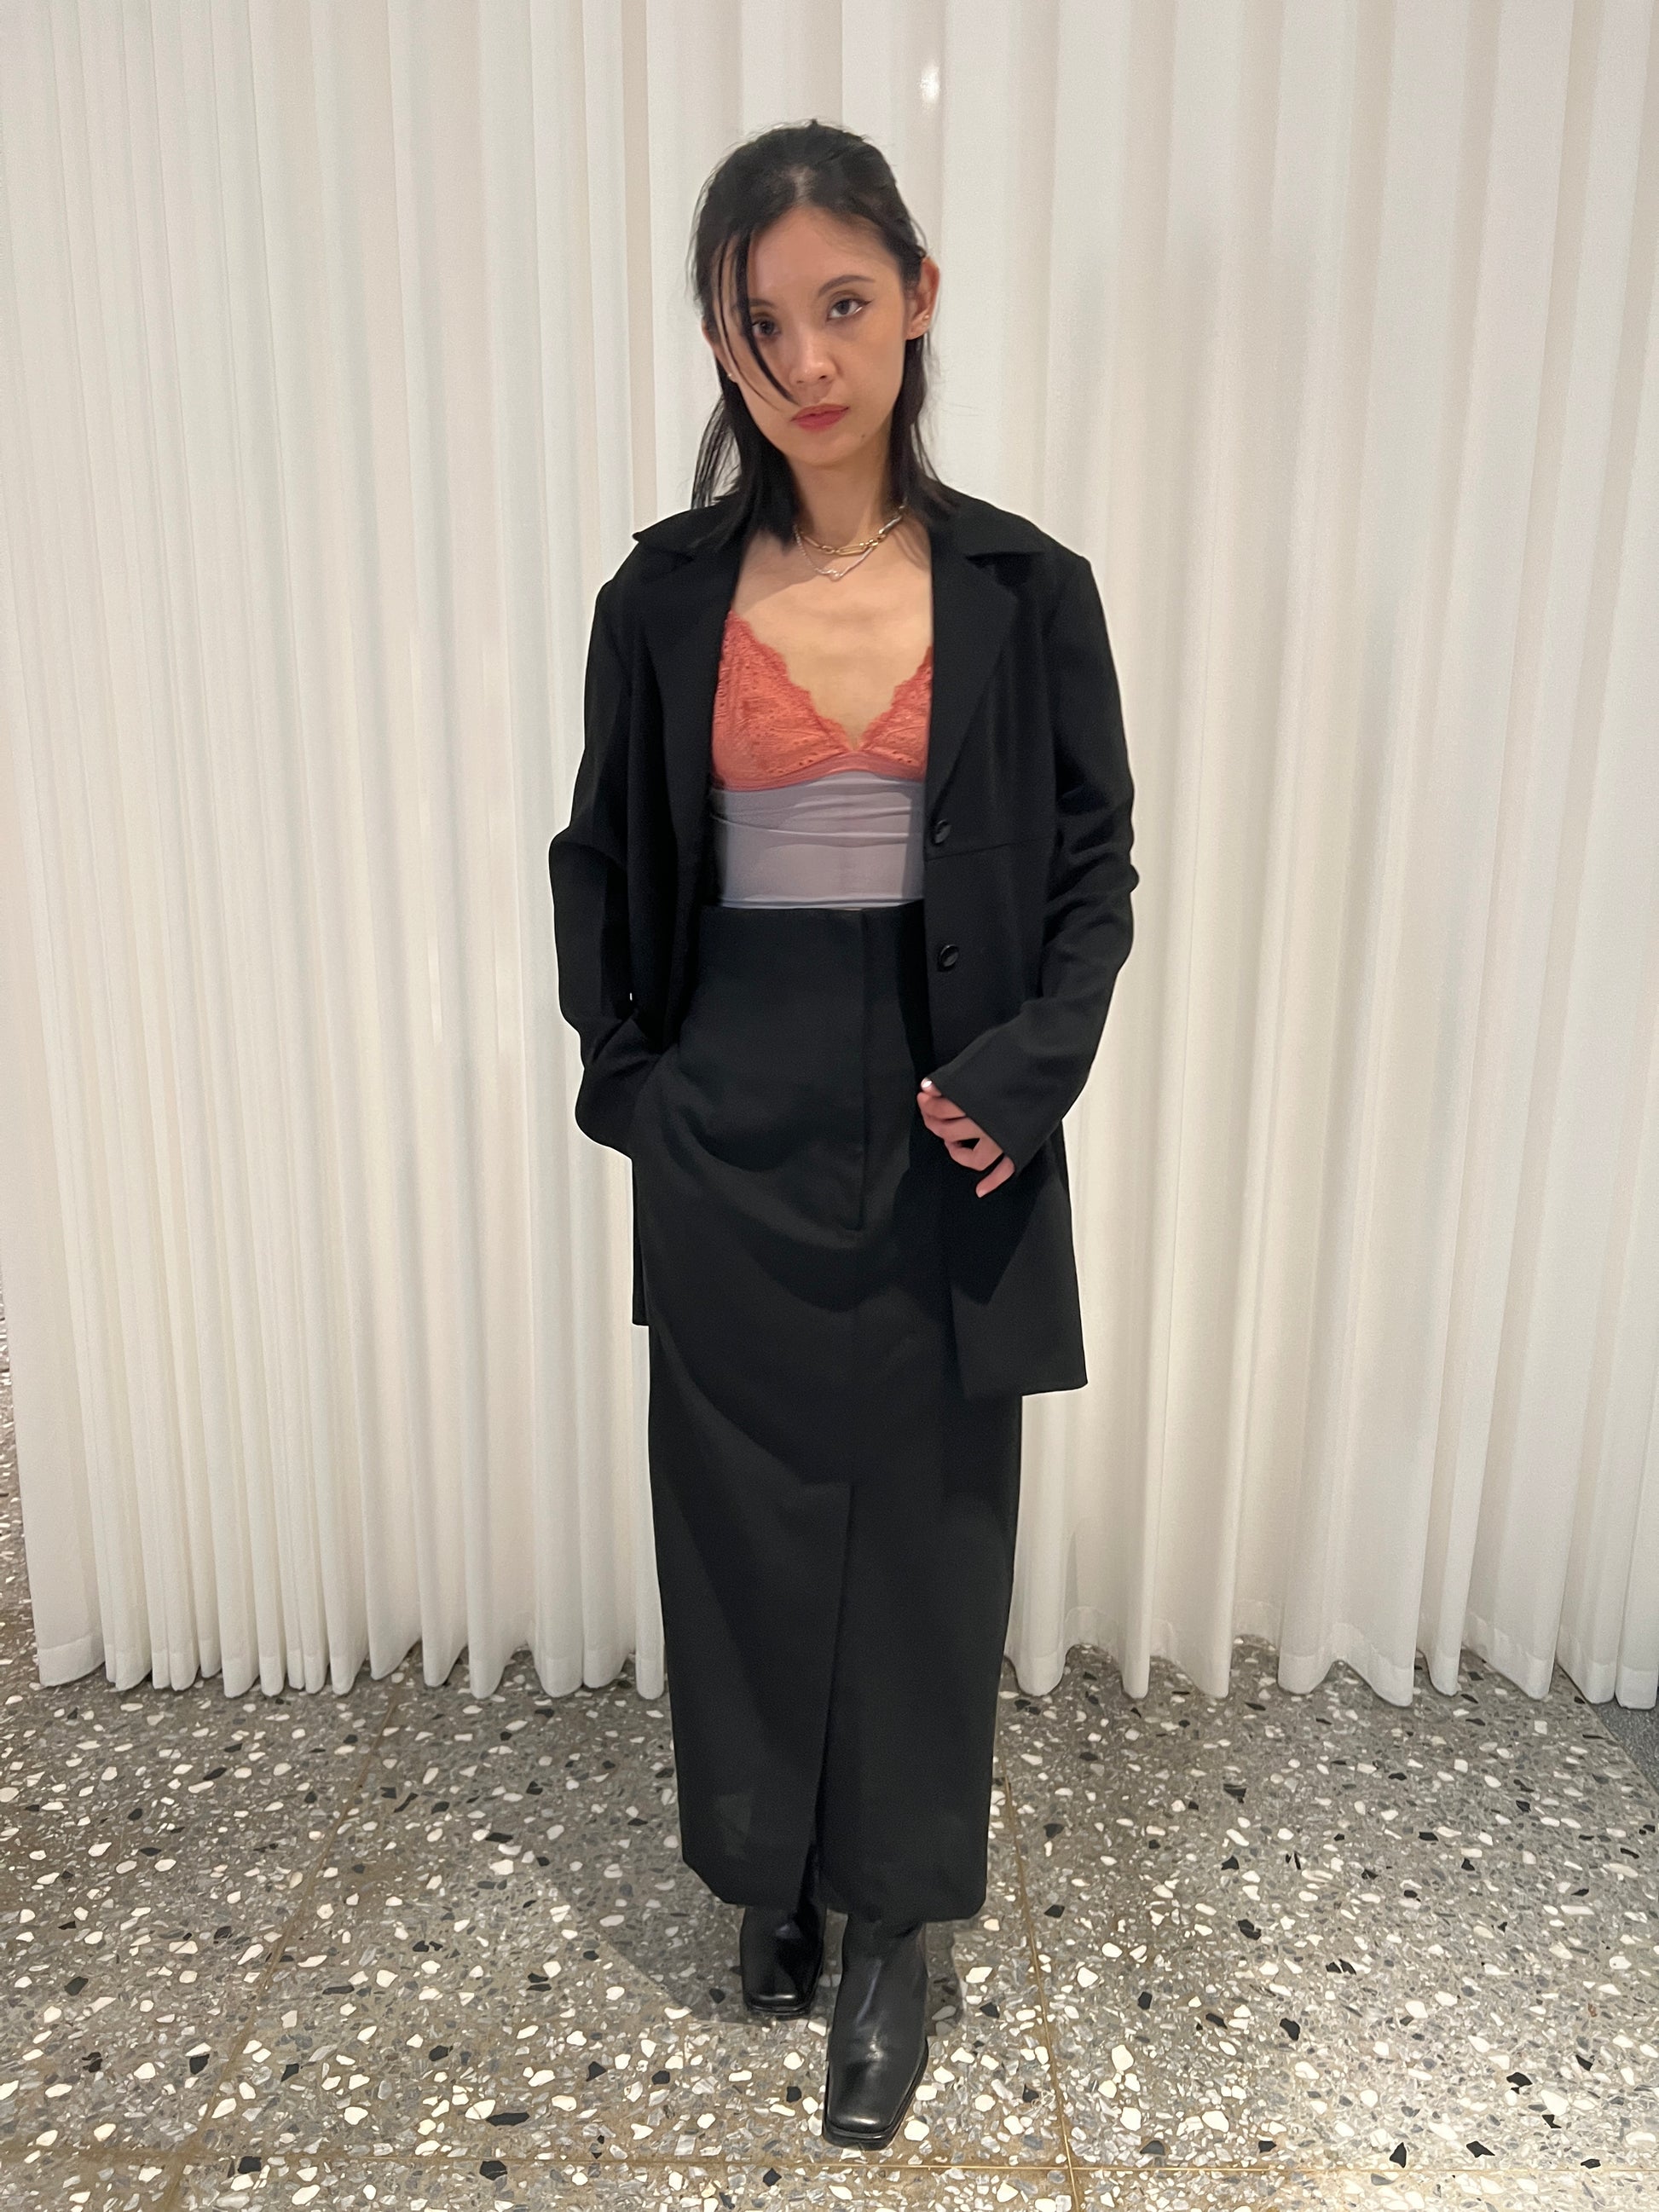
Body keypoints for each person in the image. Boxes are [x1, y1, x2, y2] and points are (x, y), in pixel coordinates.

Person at [548, 119, 1136, 2151]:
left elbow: (1092, 870)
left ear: (917, 301)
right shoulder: (660, 595)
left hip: (948, 1116)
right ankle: (770, 1866)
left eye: (843, 304)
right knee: (740, 1513)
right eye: (761, 319)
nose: (805, 357)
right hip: (734, 1108)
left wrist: (1025, 1075)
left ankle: (894, 1920)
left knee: (928, 1530)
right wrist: (635, 1085)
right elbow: (601, 855)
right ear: (720, 338)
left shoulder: (1024, 589)